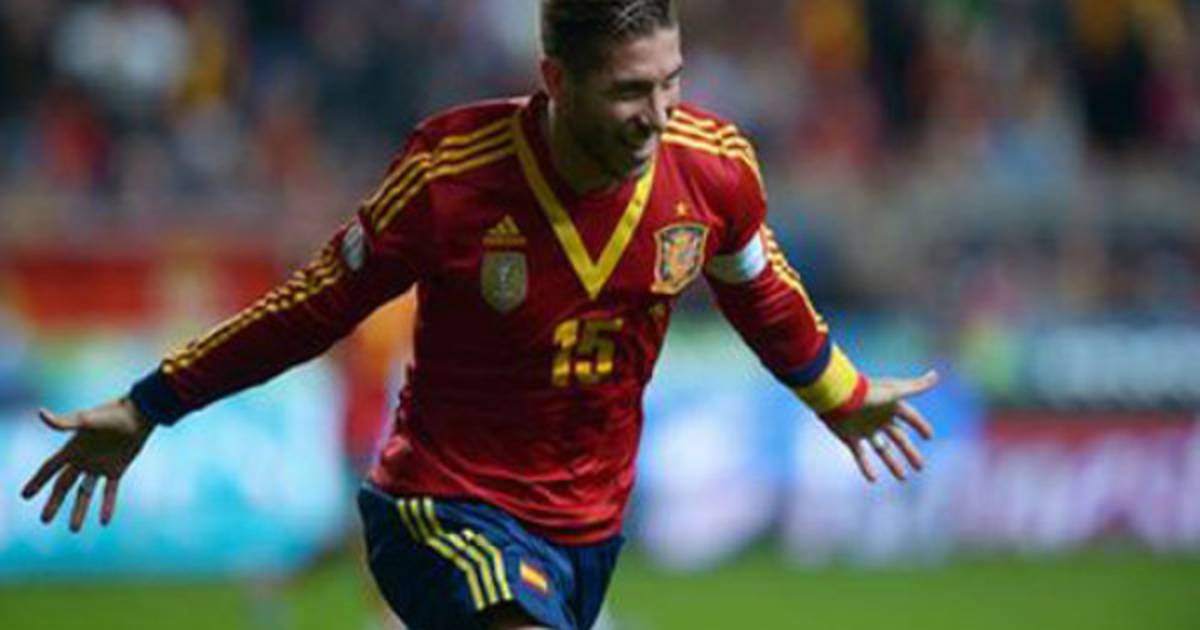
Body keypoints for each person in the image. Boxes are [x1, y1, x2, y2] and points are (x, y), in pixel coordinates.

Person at [21, 1, 937, 628]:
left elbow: (759, 287)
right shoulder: (450, 178)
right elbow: (309, 309)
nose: (657, 115)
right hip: (441, 507)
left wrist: (839, 392)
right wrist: (152, 403)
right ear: (555, 78)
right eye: (629, 90)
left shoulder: (715, 169)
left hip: (586, 529)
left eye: (671, 83)